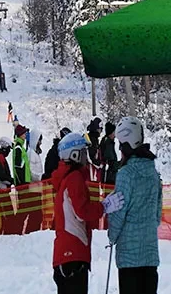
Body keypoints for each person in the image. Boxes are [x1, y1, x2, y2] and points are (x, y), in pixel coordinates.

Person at [52, 133, 118, 294]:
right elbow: (82, 211)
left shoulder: (67, 178)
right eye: (83, 152)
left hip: (68, 253)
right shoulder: (74, 178)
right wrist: (104, 207)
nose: (86, 157)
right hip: (73, 253)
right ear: (74, 154)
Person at [108, 116, 162, 294]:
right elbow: (156, 215)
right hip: (149, 254)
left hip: (129, 259)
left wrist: (112, 235)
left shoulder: (126, 174)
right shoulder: (153, 172)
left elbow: (119, 212)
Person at [26, 129, 44, 233]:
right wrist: (41, 177)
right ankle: (31, 233)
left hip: (36, 188)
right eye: (39, 140)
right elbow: (31, 172)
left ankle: (33, 232)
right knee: (35, 214)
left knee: (37, 215)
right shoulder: (31, 154)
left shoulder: (35, 154)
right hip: (32, 189)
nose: (40, 143)